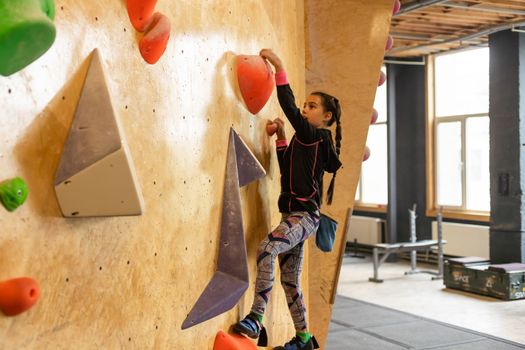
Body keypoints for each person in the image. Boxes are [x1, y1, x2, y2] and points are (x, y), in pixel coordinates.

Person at [233, 49, 342, 350]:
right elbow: (287, 168)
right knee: (290, 281)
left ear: (326, 116)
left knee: (267, 249)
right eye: (305, 105)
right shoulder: (304, 140)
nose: (305, 110)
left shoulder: (315, 135)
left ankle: (256, 317)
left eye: (311, 106)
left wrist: (280, 68)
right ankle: (304, 339)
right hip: (291, 216)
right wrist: (281, 137)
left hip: (304, 217)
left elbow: (288, 106)